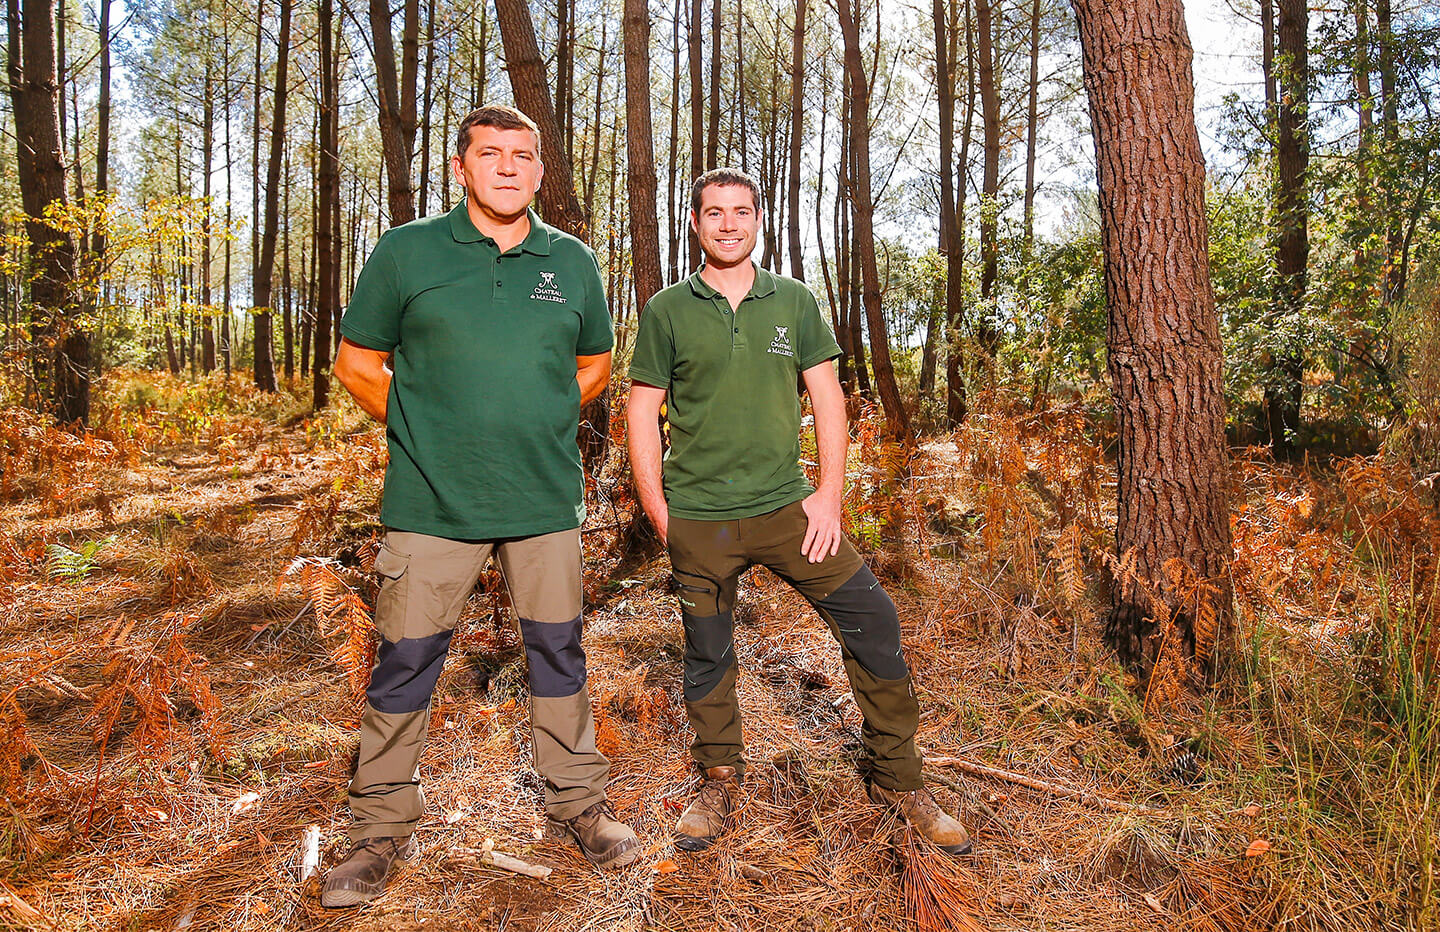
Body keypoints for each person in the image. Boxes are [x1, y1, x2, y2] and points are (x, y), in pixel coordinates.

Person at [322, 105, 639, 908]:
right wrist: (424, 428)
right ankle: (377, 832)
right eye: (490, 154)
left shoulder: (571, 262)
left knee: (560, 654)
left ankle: (579, 804)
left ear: (539, 172)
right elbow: (358, 362)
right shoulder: (407, 252)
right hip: (430, 504)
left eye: (523, 156)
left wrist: (537, 416)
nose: (507, 167)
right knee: (405, 664)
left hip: (541, 501)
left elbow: (596, 360)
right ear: (459, 167)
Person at [625, 168, 972, 856]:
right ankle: (718, 778)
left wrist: (828, 495)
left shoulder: (793, 301)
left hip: (788, 510)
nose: (728, 224)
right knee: (709, 651)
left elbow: (827, 397)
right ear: (694, 224)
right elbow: (641, 410)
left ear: (759, 221)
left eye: (741, 212)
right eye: (715, 213)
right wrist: (660, 510)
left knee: (872, 618)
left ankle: (898, 778)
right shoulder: (668, 308)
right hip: (702, 518)